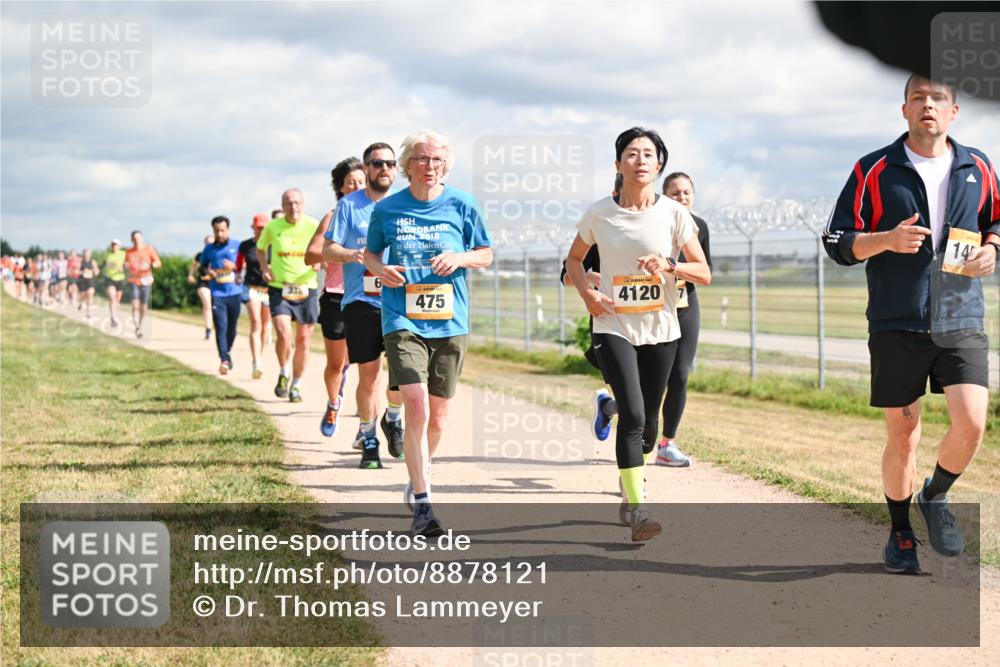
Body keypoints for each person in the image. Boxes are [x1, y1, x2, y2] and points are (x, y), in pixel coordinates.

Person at [823, 75, 999, 574]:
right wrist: (884, 240)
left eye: (937, 98)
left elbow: (997, 221)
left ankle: (935, 494)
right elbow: (837, 242)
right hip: (897, 321)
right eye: (918, 97)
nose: (928, 105)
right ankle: (900, 535)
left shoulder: (978, 166)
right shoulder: (874, 169)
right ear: (904, 110)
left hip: (961, 316)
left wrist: (992, 249)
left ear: (954, 111)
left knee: (973, 423)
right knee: (904, 435)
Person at [566, 127, 710, 541]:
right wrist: (588, 293)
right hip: (613, 325)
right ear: (618, 164)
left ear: (658, 164)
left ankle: (626, 470)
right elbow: (574, 260)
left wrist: (670, 265)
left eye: (649, 154)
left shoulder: (674, 214)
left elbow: (704, 272)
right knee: (632, 415)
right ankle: (638, 508)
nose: (641, 160)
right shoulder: (599, 213)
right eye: (632, 153)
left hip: (662, 328)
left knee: (647, 426)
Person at [365, 129, 493, 536]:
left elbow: (486, 254)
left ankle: (418, 473)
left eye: (436, 160)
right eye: (421, 159)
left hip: (450, 321)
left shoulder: (462, 204)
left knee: (438, 416)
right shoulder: (387, 210)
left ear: (445, 166)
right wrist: (379, 268)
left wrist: (459, 257)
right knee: (416, 402)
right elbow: (370, 253)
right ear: (405, 166)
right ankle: (424, 504)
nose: (429, 167)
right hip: (401, 316)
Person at [322, 145, 408, 467]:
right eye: (376, 164)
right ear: (367, 168)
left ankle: (394, 418)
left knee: (402, 373)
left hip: (399, 299)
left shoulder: (405, 204)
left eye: (389, 163)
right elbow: (328, 249)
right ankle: (369, 437)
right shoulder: (348, 206)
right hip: (360, 300)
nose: (383, 168)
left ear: (396, 169)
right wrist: (351, 255)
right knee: (369, 376)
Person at [653, 172, 712, 467]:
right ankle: (612, 407)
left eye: (687, 192)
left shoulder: (699, 227)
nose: (682, 198)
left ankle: (667, 445)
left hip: (685, 306)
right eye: (675, 193)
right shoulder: (652, 223)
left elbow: (704, 272)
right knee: (649, 381)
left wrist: (674, 267)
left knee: (680, 374)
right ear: (664, 196)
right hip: (651, 308)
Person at [304, 158, 359, 442]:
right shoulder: (332, 216)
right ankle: (333, 403)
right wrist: (339, 252)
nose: (357, 187)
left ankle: (367, 425)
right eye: (351, 182)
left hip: (370, 296)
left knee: (368, 363)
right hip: (337, 297)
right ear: (340, 187)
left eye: (362, 181)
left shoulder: (378, 214)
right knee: (337, 364)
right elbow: (311, 254)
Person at [257, 189, 321, 403]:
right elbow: (260, 248)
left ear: (303, 204)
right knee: (284, 333)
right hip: (279, 287)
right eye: (288, 203)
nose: (293, 207)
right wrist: (264, 268)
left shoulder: (313, 224)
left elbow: (324, 247)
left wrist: (320, 260)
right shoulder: (273, 227)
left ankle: (296, 385)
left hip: (306, 287)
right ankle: (284, 371)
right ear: (282, 206)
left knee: (303, 340)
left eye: (297, 203)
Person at [200, 216, 243, 374]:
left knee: (232, 328)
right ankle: (224, 359)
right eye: (216, 230)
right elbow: (203, 267)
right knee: (221, 326)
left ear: (228, 229)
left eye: (222, 230)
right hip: (217, 293)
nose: (219, 233)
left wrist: (234, 266)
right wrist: (208, 272)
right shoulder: (209, 249)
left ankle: (227, 351)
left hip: (235, 292)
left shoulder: (237, 246)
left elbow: (245, 265)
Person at [237, 214, 273, 379]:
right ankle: (256, 361)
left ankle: (260, 355)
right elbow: (239, 262)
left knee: (265, 326)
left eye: (264, 227)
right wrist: (237, 273)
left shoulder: (274, 245)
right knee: (256, 324)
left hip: (268, 289)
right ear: (253, 227)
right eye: (258, 227)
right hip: (251, 287)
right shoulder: (245, 245)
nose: (261, 230)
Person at [124, 230, 162, 338]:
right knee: (135, 306)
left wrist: (153, 265)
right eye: (134, 239)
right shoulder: (128, 251)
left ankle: (139, 325)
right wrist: (125, 266)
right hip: (133, 280)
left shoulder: (149, 249)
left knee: (143, 307)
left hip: (146, 280)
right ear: (132, 240)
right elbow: (125, 264)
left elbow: (158, 262)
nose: (137, 241)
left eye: (138, 238)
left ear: (142, 239)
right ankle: (137, 328)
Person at [188, 235, 214, 340]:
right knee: (207, 304)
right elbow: (193, 266)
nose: (209, 244)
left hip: (216, 283)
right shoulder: (200, 255)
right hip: (203, 282)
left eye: (211, 243)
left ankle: (217, 327)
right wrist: (190, 275)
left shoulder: (218, 254)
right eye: (207, 242)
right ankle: (208, 329)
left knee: (214, 307)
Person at [104, 239, 127, 327]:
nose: (114, 246)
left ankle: (115, 315)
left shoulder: (123, 254)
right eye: (113, 245)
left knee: (116, 301)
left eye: (116, 245)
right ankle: (113, 318)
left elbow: (127, 264)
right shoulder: (108, 255)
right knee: (112, 297)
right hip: (109, 278)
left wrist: (124, 268)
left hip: (120, 279)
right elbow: (107, 265)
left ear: (119, 246)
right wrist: (116, 266)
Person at [77, 249, 100, 319]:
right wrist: (82, 272)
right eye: (85, 254)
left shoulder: (93, 262)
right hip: (82, 281)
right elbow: (76, 272)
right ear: (83, 255)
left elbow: (97, 272)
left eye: (88, 254)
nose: (86, 256)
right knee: (83, 296)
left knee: (90, 293)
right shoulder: (80, 262)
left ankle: (88, 313)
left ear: (90, 255)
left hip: (90, 281)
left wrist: (94, 270)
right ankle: (81, 302)